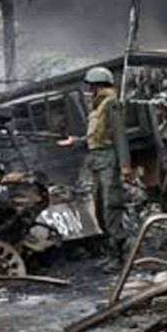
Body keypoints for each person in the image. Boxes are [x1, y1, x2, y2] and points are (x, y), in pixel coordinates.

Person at [58, 66, 132, 272]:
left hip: (110, 160)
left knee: (111, 208)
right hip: (98, 161)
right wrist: (76, 141)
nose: (89, 89)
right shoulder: (97, 107)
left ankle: (119, 256)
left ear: (100, 85)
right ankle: (111, 253)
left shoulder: (112, 104)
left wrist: (125, 165)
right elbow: (94, 138)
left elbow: (120, 136)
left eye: (92, 86)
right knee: (100, 209)